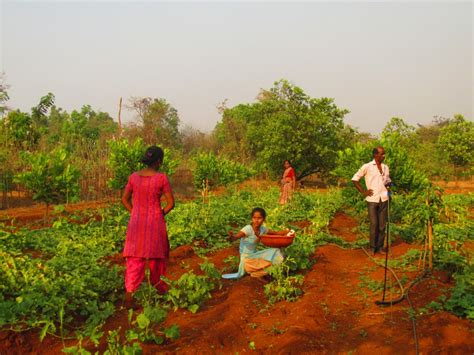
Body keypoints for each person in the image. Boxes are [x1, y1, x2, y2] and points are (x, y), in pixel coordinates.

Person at [121, 145, 175, 305]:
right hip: (155, 224)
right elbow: (171, 203)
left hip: (136, 224)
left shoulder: (133, 177)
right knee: (156, 259)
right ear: (158, 161)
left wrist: (135, 212)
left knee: (134, 259)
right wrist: (159, 214)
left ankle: (130, 295)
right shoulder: (161, 178)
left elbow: (124, 199)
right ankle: (160, 292)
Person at [222, 207, 291, 280]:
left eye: (259, 218)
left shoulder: (262, 229)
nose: (256, 220)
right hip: (247, 261)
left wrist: (288, 232)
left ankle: (256, 274)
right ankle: (253, 271)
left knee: (277, 252)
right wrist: (231, 237)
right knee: (272, 259)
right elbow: (235, 237)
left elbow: (276, 233)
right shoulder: (248, 229)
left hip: (254, 256)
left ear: (264, 219)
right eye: (254, 218)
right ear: (252, 218)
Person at [352, 146, 392, 256]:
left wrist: (389, 186)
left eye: (384, 154)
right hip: (372, 200)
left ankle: (379, 247)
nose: (384, 156)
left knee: (382, 225)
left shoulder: (385, 167)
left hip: (384, 198)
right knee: (374, 224)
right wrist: (363, 192)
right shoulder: (367, 166)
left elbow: (388, 181)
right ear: (375, 155)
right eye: (382, 154)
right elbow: (355, 179)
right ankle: (372, 248)